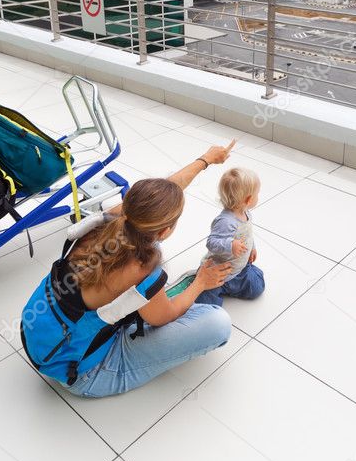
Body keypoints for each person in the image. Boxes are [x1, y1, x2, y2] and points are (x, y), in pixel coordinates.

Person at [19, 141, 237, 398]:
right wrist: (201, 281)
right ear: (166, 231)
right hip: (84, 373)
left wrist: (205, 160)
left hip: (40, 333)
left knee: (136, 283)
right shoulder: (144, 271)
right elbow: (163, 318)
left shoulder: (105, 223)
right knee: (218, 322)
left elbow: (157, 200)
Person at [196, 168, 265, 306]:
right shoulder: (226, 221)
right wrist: (230, 244)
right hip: (219, 273)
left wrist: (252, 248)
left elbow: (248, 234)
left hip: (239, 269)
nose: (258, 196)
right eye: (257, 194)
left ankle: (232, 285)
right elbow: (211, 242)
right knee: (207, 306)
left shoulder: (246, 213)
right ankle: (202, 280)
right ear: (249, 199)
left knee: (257, 286)